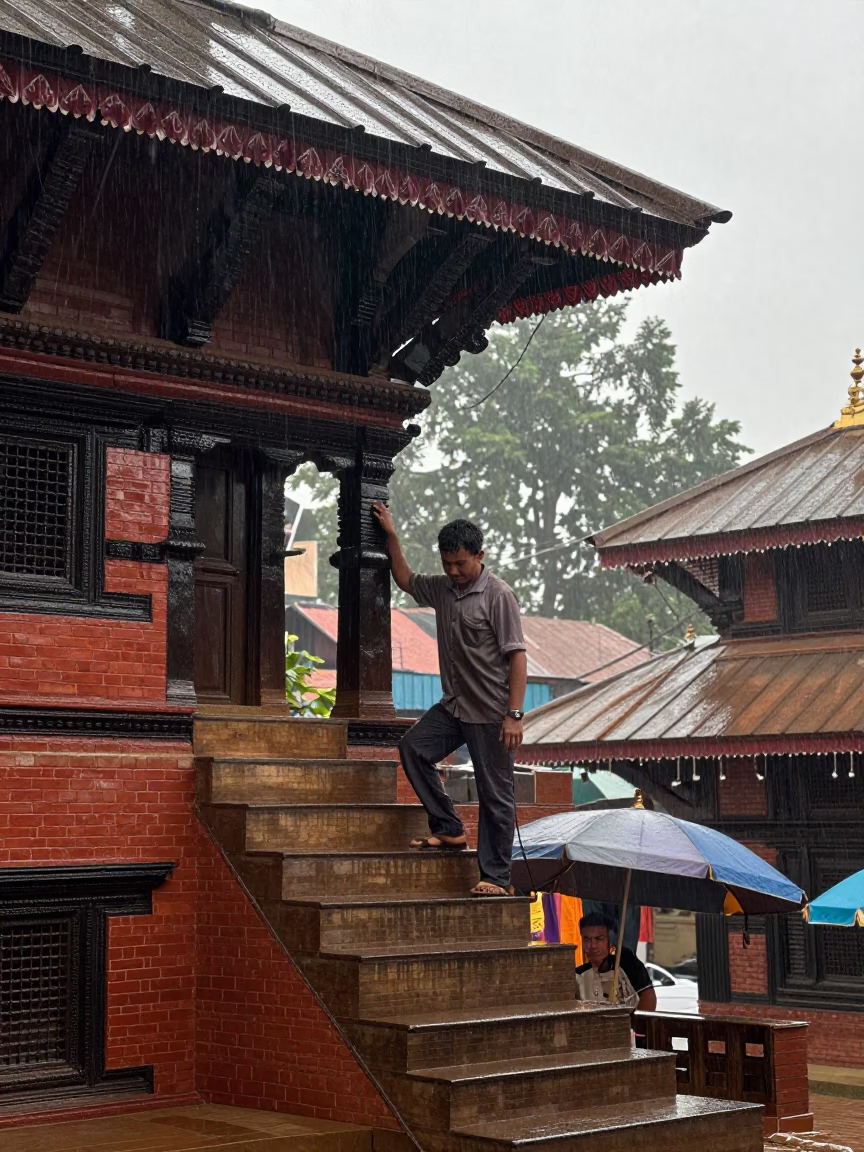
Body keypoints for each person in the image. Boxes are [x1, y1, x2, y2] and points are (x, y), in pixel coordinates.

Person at [371, 505, 527, 898]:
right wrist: (392, 536)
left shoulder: (499, 596)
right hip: (454, 706)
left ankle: (496, 877)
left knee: (496, 795)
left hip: (492, 714)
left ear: (480, 555)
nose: (454, 572)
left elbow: (517, 657)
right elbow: (405, 578)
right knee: (413, 748)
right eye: (447, 564)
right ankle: (449, 828)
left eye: (460, 564)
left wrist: (514, 715)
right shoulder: (443, 588)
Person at [575, 913, 657, 1011]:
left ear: (609, 939)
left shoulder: (626, 961)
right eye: (587, 939)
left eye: (599, 938)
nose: (593, 945)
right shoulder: (579, 976)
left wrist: (637, 1024)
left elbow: (648, 996)